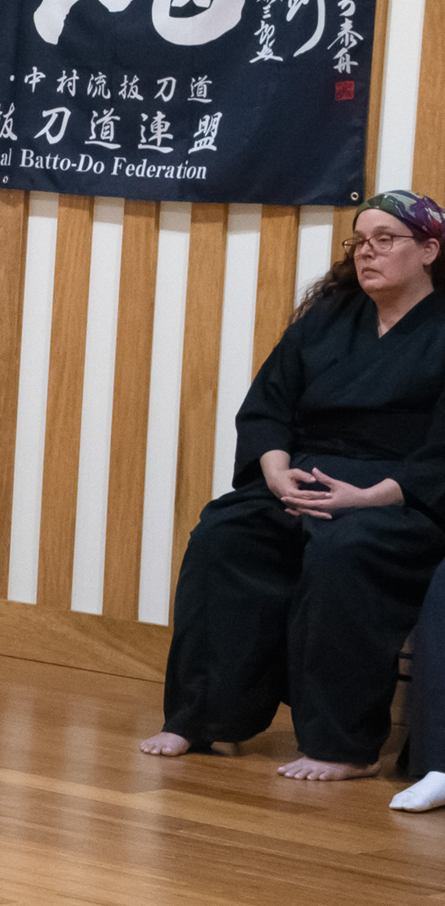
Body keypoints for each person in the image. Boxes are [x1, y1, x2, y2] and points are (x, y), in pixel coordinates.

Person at [146, 191, 445, 781]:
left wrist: (367, 497)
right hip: (305, 477)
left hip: (400, 495)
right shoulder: (328, 319)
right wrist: (276, 472)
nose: (367, 252)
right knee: (224, 534)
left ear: (429, 250)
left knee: (345, 550)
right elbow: (268, 408)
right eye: (360, 242)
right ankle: (201, 717)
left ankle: (343, 745)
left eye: (385, 240)